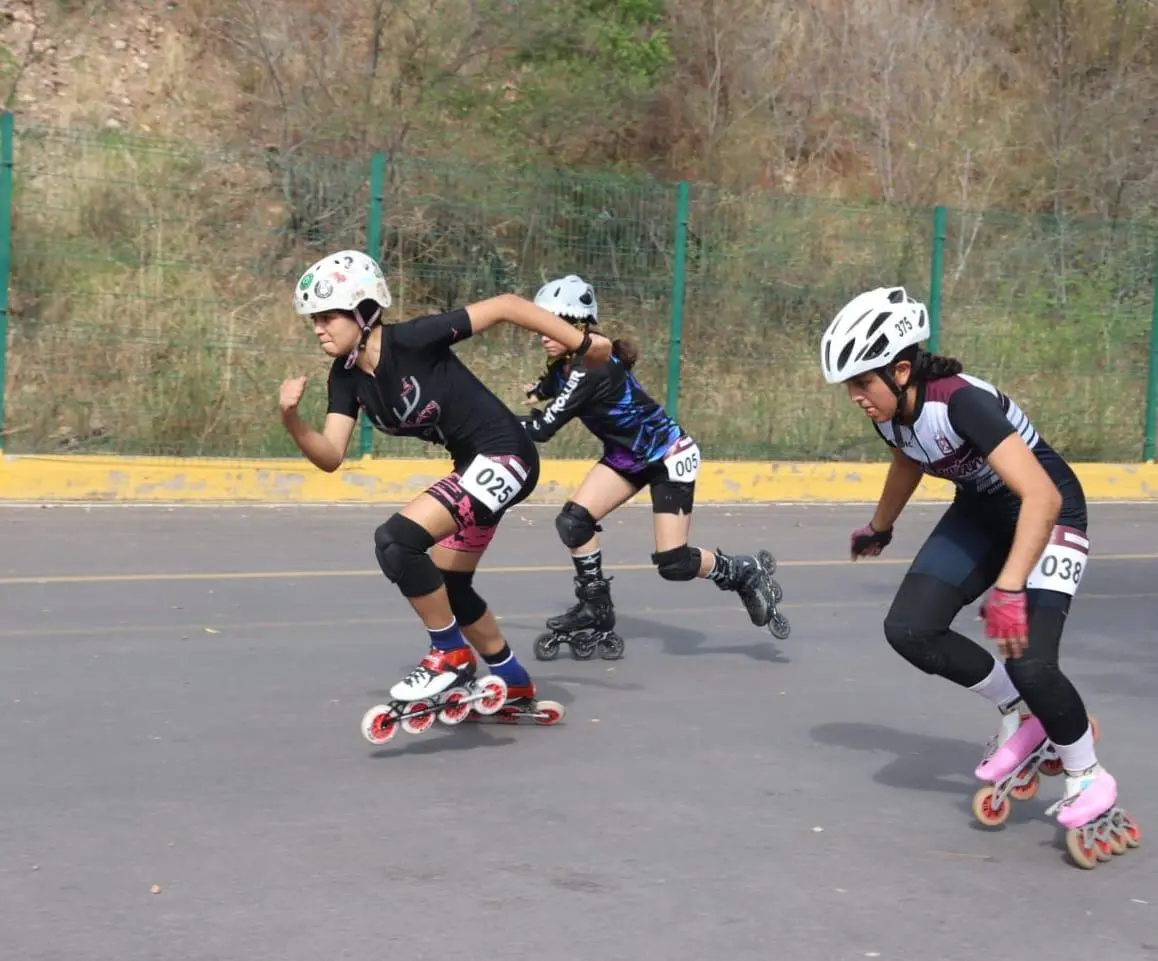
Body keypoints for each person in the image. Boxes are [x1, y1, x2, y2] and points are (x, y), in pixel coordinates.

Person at [820, 285, 1138, 867]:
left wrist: (1011, 588)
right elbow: (908, 457)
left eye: (862, 382)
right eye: (849, 386)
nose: (855, 397)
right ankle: (1025, 711)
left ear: (900, 370)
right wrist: (880, 526)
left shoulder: (962, 403)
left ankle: (1087, 773)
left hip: (1049, 507)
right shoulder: (892, 411)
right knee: (910, 629)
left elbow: (1038, 494)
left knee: (1031, 658)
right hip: (984, 511)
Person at [279, 250, 613, 743]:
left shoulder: (411, 340)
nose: (318, 329)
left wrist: (584, 344)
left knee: (396, 541)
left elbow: (503, 305)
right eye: (313, 320)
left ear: (363, 311)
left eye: (327, 316)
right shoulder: (345, 379)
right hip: (474, 467)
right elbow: (330, 455)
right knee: (449, 586)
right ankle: (514, 682)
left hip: (505, 456)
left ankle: (451, 653)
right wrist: (291, 418)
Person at [517, 274, 789, 662]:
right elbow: (554, 383)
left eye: (552, 323)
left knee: (674, 563)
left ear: (578, 326)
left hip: (667, 456)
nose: (542, 332)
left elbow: (543, 428)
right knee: (573, 523)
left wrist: (489, 422)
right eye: (539, 324)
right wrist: (540, 389)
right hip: (626, 456)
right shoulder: (566, 363)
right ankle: (596, 607)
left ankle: (742, 571)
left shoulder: (590, 369)